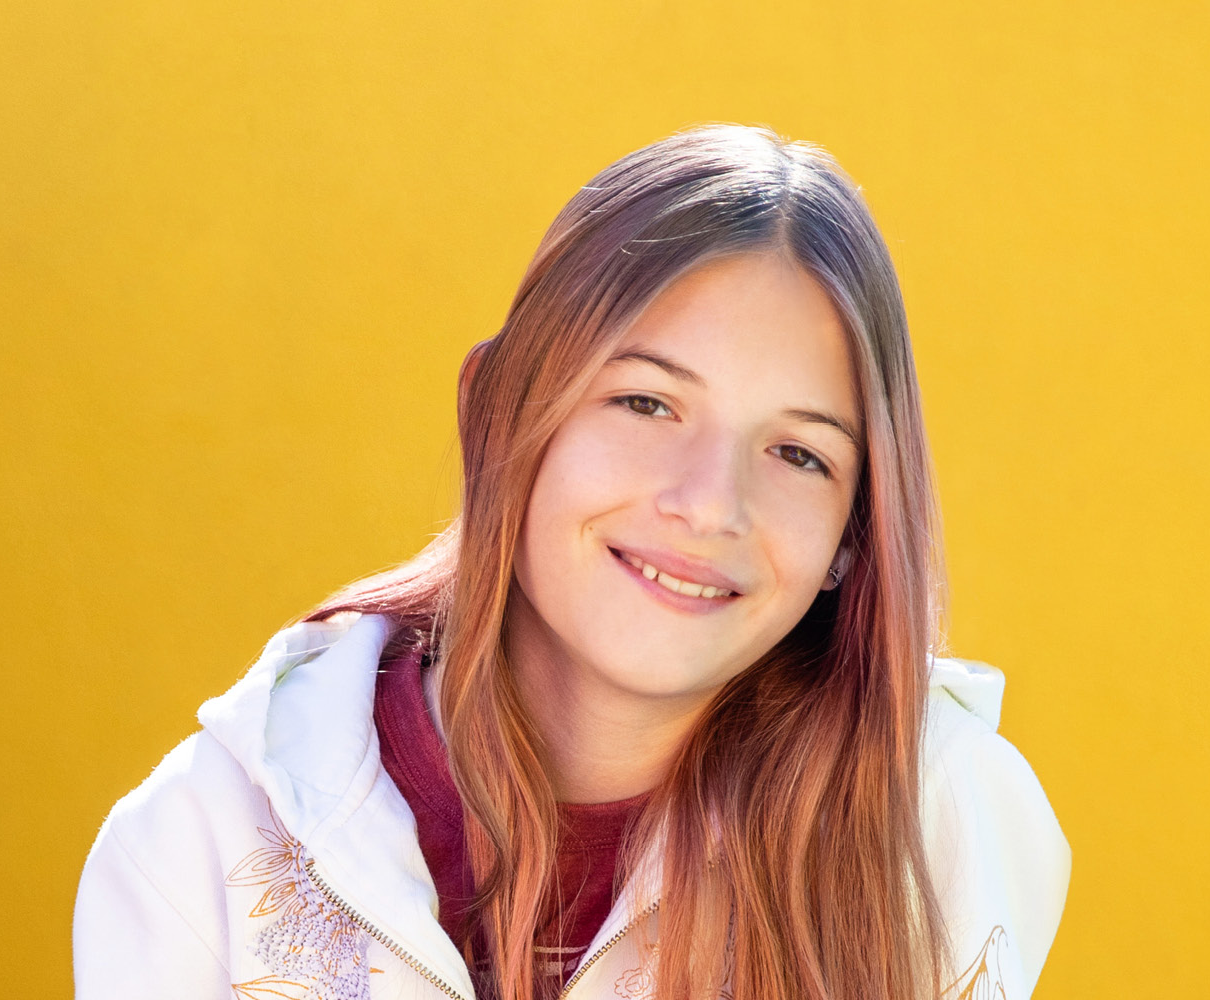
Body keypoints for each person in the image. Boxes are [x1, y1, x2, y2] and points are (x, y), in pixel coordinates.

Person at [72, 124, 1070, 1000]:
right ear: (499, 412)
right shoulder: (203, 838)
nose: (709, 503)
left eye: (800, 453)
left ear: (854, 535)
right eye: (645, 402)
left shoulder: (942, 822)